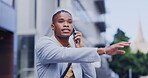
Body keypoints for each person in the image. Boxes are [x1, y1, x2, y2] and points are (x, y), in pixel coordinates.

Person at [35, 10, 130, 78]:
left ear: (73, 27)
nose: (66, 24)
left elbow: (90, 76)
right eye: (61, 21)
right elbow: (62, 54)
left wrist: (81, 48)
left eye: (70, 22)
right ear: (53, 27)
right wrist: (103, 50)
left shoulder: (77, 51)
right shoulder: (44, 43)